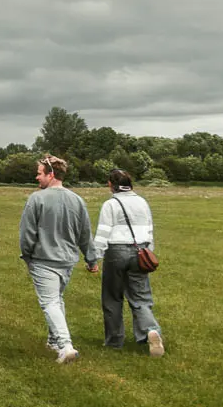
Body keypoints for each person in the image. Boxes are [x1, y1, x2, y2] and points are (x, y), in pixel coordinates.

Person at [19, 154, 98, 364]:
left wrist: (26, 255)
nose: (37, 178)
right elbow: (85, 234)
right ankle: (54, 341)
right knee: (57, 299)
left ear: (51, 174)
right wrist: (92, 259)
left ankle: (65, 345)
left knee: (50, 302)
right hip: (67, 261)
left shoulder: (36, 199)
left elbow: (27, 233)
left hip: (44, 260)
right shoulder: (77, 200)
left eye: (39, 174)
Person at [92, 169, 165, 357]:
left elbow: (103, 233)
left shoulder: (110, 204)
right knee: (141, 297)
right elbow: (149, 229)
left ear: (111, 184)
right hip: (140, 251)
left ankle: (114, 341)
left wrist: (94, 256)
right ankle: (150, 330)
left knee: (112, 298)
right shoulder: (142, 202)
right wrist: (149, 250)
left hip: (116, 252)